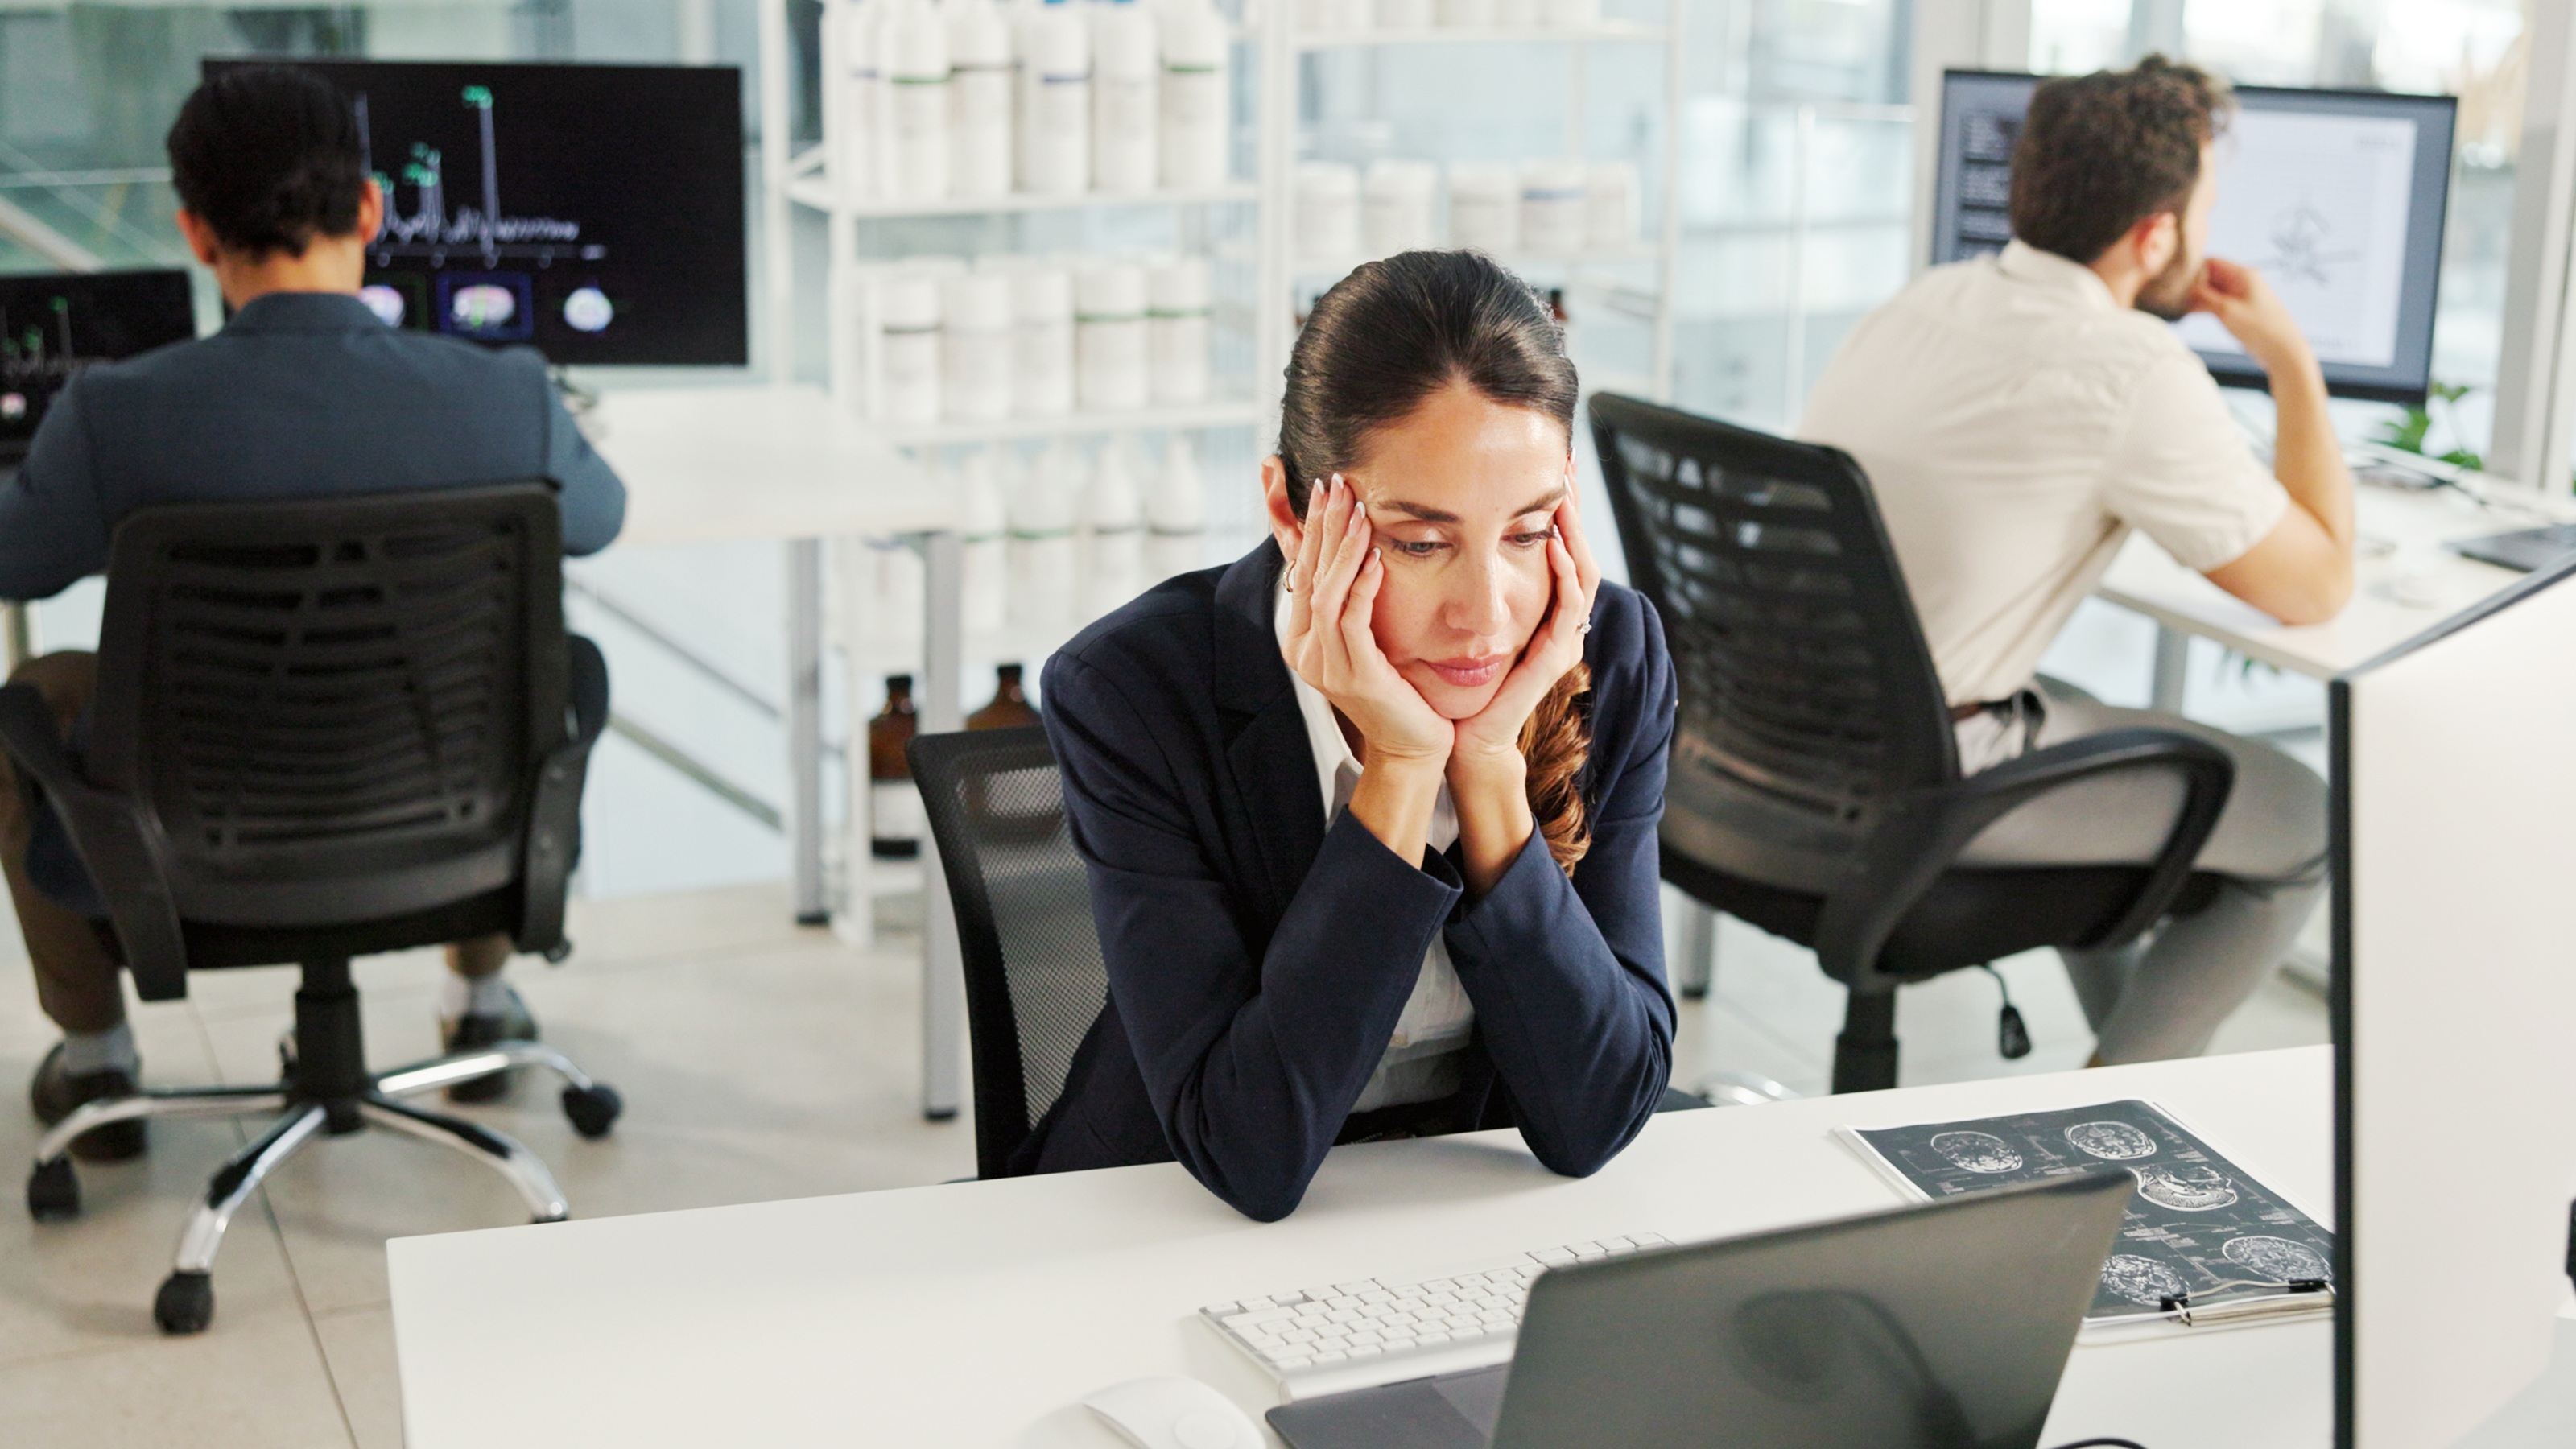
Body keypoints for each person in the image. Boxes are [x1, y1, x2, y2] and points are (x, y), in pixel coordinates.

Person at [0, 65, 626, 1159]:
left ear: (196, 232)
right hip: (449, 841)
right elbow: (603, 519)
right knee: (529, 657)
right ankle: (481, 1003)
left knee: (37, 693)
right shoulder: (507, 393)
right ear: (373, 209)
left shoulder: (113, 415)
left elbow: (13, 560)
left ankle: (96, 1058)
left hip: (190, 850)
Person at [1034, 250, 1685, 1221]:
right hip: (1162, 1217)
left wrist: (1490, 774)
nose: (1486, 615)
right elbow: (1247, 1157)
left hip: (1464, 1213)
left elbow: (1598, 1113)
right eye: (1419, 543)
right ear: (1290, 511)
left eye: (1524, 533)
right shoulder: (1130, 692)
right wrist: (1403, 769)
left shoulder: (1612, 652)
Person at [1797, 56, 2340, 1065]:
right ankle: (2113, 1126)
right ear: (2156, 233)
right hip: (1923, 790)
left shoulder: (1921, 300)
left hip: (1776, 754)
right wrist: (2289, 364)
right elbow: (2315, 586)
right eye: (2203, 210)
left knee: (2085, 710)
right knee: (2307, 818)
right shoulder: (2132, 366)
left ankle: (2126, 1066)